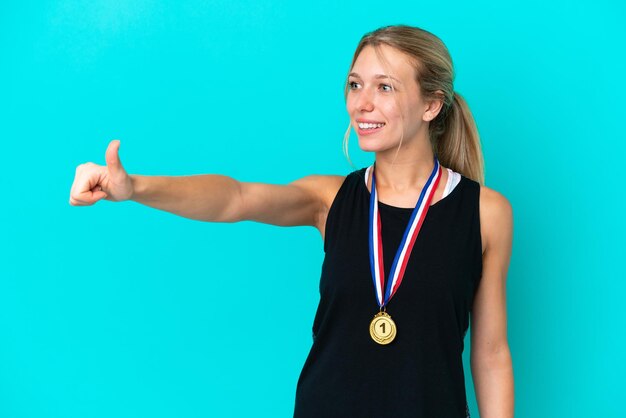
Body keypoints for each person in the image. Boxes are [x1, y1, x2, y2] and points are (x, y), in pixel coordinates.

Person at [69, 24, 514, 418]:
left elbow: (491, 353)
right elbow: (235, 198)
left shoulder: (485, 213)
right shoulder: (331, 198)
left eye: (385, 88)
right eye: (355, 84)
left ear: (431, 105)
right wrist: (135, 188)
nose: (361, 103)